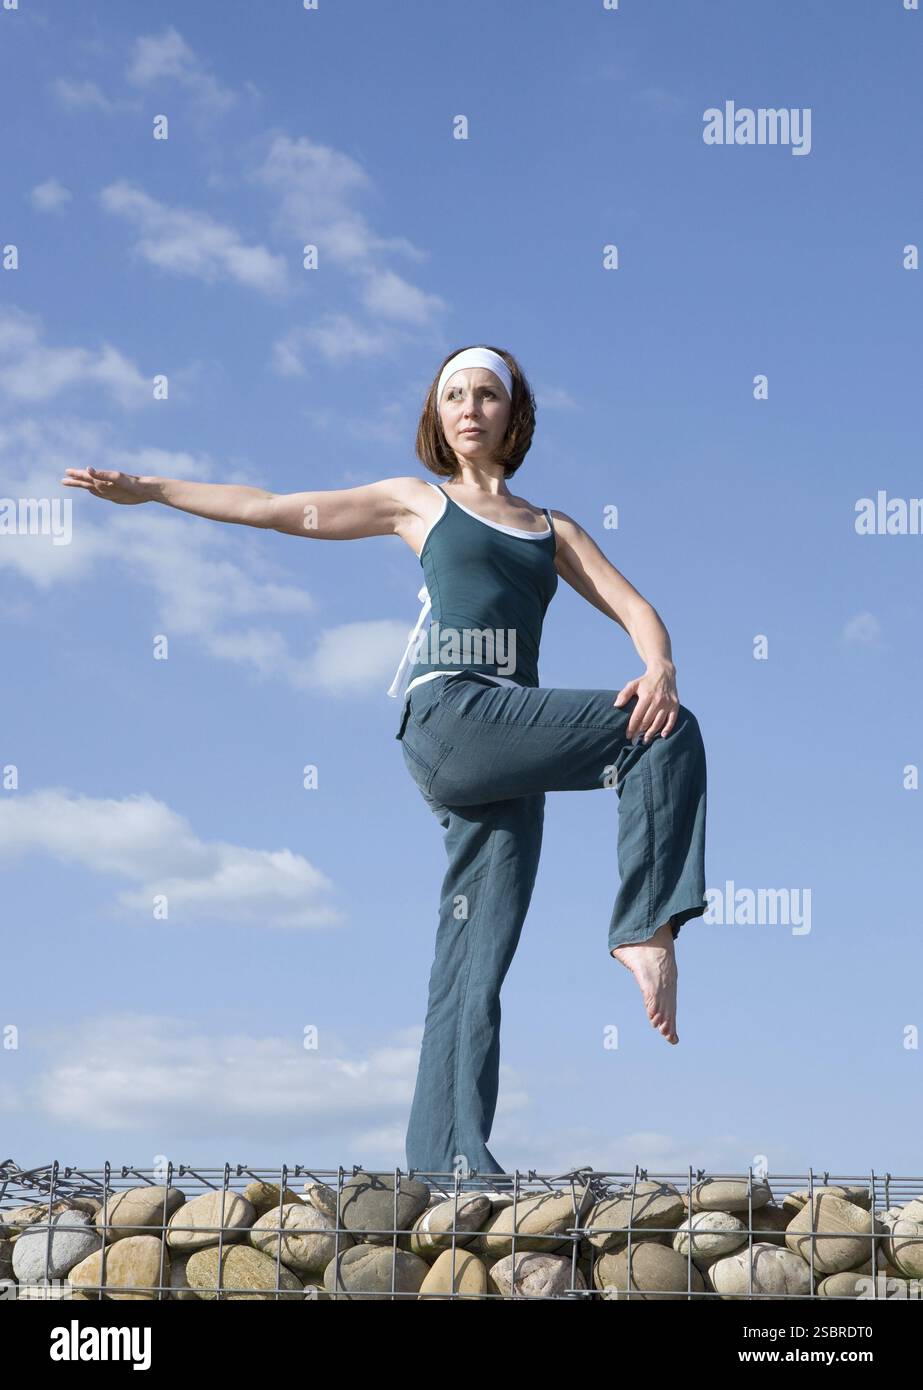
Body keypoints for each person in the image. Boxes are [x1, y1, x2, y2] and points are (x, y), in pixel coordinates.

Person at [61, 342, 707, 1186]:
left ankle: (450, 1168)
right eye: (452, 397)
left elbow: (638, 610)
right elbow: (270, 507)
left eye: (486, 395)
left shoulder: (554, 529)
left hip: (506, 744)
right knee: (660, 732)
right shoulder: (418, 503)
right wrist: (150, 490)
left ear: (515, 415)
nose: (469, 407)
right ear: (436, 417)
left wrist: (656, 663)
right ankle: (644, 927)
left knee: (473, 962)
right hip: (453, 715)